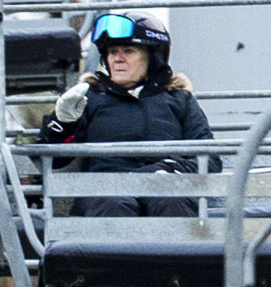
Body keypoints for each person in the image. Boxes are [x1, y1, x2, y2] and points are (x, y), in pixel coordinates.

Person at [39, 12, 211, 218]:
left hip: (163, 184)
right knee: (112, 204)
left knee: (171, 200)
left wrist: (171, 168)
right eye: (112, 51)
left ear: (153, 57)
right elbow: (51, 160)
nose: (118, 59)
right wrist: (61, 123)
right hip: (106, 188)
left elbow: (209, 156)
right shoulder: (89, 98)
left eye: (128, 51)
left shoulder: (178, 99)